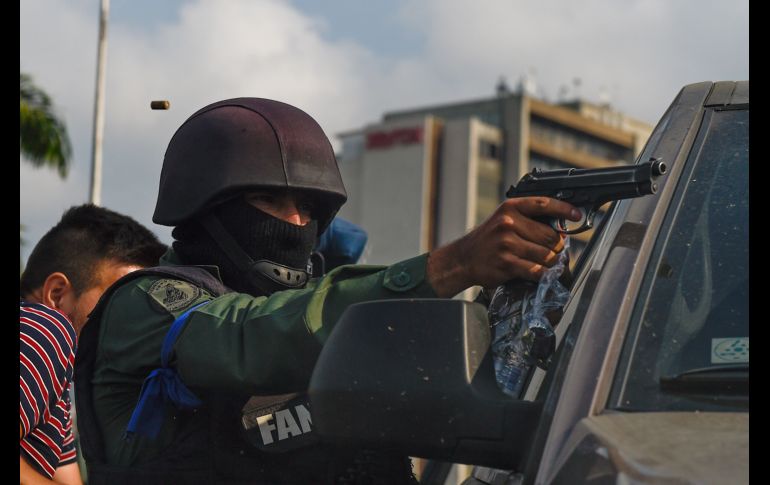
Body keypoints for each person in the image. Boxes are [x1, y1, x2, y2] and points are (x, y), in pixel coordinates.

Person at [75, 98, 578, 484]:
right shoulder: (150, 305)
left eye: (309, 209)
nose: (296, 223)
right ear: (204, 207)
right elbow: (255, 338)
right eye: (268, 200)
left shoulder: (321, 305)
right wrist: (458, 263)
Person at [20, 204, 167, 484]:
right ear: (57, 295)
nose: (136, 326)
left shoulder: (51, 388)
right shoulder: (46, 327)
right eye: (120, 305)